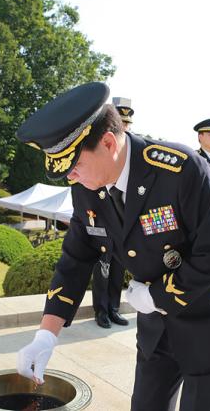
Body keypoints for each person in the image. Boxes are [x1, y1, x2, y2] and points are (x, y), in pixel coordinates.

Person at [15, 82, 210, 411]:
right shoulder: (88, 185)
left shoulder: (180, 170)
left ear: (109, 142)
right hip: (158, 325)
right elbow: (76, 256)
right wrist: (46, 334)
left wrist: (155, 295)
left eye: (75, 165)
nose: (72, 176)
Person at [91, 102, 133, 329]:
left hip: (122, 226)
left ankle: (114, 308)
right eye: (122, 123)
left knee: (118, 268)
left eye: (127, 124)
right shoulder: (100, 149)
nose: (125, 128)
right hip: (101, 222)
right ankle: (101, 310)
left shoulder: (131, 156)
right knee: (102, 269)